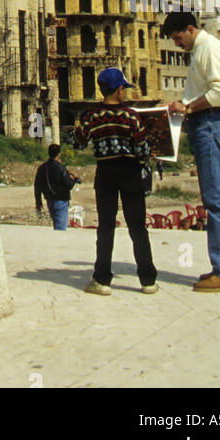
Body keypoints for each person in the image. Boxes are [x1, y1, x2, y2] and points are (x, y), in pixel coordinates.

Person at [164, 12, 220, 291]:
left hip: (210, 126)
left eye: (177, 38)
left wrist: (187, 108)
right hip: (204, 127)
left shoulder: (209, 47)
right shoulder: (199, 50)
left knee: (217, 201)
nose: (176, 44)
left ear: (189, 29)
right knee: (213, 201)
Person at [74, 68, 158, 295]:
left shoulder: (92, 117)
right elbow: (142, 147)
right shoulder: (131, 116)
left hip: (106, 173)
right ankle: (148, 280)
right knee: (138, 227)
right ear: (120, 90)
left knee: (106, 226)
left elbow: (79, 142)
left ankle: (102, 280)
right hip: (130, 172)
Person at [33, 144, 80, 230]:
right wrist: (73, 179)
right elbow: (68, 185)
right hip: (61, 201)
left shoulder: (42, 168)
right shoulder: (60, 168)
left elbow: (37, 186)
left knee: (57, 226)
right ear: (58, 154)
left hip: (49, 200)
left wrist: (38, 202)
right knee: (60, 229)